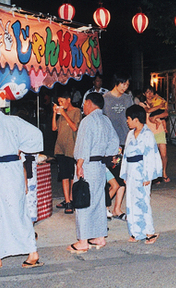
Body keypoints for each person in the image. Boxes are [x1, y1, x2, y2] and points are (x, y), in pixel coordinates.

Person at [0, 93, 43, 269]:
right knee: (20, 211)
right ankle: (32, 252)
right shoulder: (14, 121)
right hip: (15, 169)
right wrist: (20, 149)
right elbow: (36, 135)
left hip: (0, 172)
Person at [68, 93, 120, 253]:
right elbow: (115, 142)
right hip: (100, 166)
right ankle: (99, 237)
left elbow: (83, 144)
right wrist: (108, 156)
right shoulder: (105, 120)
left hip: (87, 165)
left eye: (84, 104)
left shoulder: (87, 121)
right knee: (98, 202)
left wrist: (79, 165)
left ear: (89, 103)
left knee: (83, 200)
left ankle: (83, 241)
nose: (83, 107)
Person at [120, 105, 162, 244]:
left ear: (136, 119)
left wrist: (147, 176)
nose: (127, 121)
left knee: (143, 202)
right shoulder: (130, 134)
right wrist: (125, 173)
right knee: (131, 202)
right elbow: (126, 155)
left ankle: (149, 232)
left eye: (128, 118)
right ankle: (135, 232)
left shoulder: (147, 134)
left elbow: (150, 156)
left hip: (142, 171)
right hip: (131, 171)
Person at [103, 72, 133, 220]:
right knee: (111, 177)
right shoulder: (105, 99)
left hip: (125, 141)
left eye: (127, 85)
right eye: (123, 83)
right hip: (109, 144)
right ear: (117, 82)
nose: (125, 87)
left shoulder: (128, 99)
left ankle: (117, 208)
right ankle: (104, 207)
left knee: (123, 176)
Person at [51, 90, 81, 213]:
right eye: (59, 102)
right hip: (60, 148)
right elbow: (54, 128)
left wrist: (64, 114)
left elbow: (75, 127)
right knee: (64, 175)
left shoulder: (76, 111)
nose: (60, 104)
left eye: (62, 101)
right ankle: (67, 201)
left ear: (68, 100)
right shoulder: (61, 114)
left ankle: (72, 199)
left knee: (71, 175)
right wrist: (55, 114)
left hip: (71, 148)